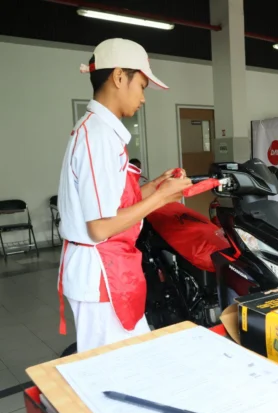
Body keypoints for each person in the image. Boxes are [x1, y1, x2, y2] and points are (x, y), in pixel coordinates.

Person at [57, 38, 192, 352]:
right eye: (142, 86)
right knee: (110, 367)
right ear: (119, 77)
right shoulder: (98, 137)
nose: (143, 98)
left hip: (110, 269)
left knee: (132, 357)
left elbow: (113, 199)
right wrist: (159, 199)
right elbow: (101, 227)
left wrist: (157, 185)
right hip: (99, 273)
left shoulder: (102, 133)